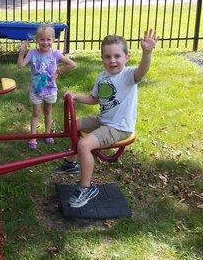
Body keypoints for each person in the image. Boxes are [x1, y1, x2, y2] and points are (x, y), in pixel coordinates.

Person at [66, 29, 158, 208]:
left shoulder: (128, 75)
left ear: (127, 57)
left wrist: (147, 53)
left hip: (119, 127)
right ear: (102, 59)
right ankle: (71, 162)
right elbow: (94, 99)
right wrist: (76, 96)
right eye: (107, 57)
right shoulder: (102, 77)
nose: (112, 60)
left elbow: (142, 70)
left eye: (117, 56)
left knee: (84, 144)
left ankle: (86, 188)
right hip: (103, 120)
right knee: (73, 126)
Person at [17, 24, 76, 150]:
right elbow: (20, 65)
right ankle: (33, 137)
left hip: (50, 90)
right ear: (37, 40)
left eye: (48, 39)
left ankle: (48, 133)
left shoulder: (55, 54)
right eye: (42, 39)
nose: (45, 42)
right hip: (36, 90)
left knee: (48, 112)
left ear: (53, 40)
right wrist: (21, 53)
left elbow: (72, 64)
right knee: (36, 113)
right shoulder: (32, 53)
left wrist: (58, 72)